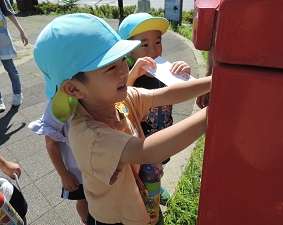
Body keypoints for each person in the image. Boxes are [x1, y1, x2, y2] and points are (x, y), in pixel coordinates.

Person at [33, 13, 211, 225]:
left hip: (141, 199)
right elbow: (147, 150)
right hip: (117, 218)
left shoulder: (120, 99)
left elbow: (167, 94)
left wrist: (216, 81)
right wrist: (212, 114)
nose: (124, 70)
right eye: (110, 67)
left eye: (122, 60)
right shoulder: (88, 134)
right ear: (73, 88)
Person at [118, 13, 192, 205]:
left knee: (159, 166)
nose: (153, 50)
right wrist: (133, 75)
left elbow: (179, 91)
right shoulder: (124, 75)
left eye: (157, 42)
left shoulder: (164, 69)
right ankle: (142, 195)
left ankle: (157, 186)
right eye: (144, 45)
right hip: (141, 142)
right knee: (141, 172)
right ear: (128, 50)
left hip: (163, 132)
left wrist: (184, 75)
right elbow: (118, 101)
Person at [28, 100, 88, 225]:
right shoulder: (61, 103)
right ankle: (86, 221)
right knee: (82, 200)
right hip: (76, 172)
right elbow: (51, 144)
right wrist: (64, 174)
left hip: (99, 166)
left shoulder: (99, 93)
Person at [0, 0, 28, 113]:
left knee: (11, 69)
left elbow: (8, 12)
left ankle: (17, 93)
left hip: (2, 39)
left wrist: (21, 30)